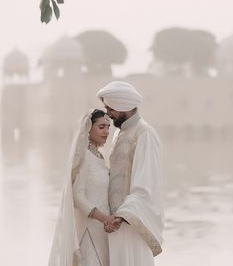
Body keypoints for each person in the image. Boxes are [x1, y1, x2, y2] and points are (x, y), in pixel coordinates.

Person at [97, 81, 164, 266]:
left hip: (131, 221)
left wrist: (124, 215)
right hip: (115, 222)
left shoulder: (144, 133)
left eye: (111, 108)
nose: (108, 114)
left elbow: (145, 182)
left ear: (123, 106)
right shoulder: (121, 133)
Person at [48, 109, 111, 266]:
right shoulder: (83, 157)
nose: (107, 132)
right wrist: (105, 219)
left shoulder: (100, 158)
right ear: (88, 129)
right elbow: (77, 197)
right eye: (101, 127)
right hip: (89, 233)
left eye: (108, 127)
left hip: (103, 233)